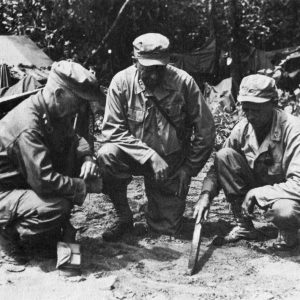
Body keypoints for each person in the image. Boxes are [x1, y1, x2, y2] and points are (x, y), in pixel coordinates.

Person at [97, 33, 215, 242]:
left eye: (159, 69)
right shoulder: (121, 83)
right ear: (135, 62)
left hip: (170, 162)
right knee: (107, 154)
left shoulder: (183, 83)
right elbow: (112, 130)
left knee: (165, 230)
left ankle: (158, 208)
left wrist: (188, 169)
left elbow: (206, 131)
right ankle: (124, 217)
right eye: (147, 69)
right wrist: (149, 156)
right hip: (131, 155)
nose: (153, 76)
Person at [0, 60, 103, 264]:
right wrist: (84, 186)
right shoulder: (28, 126)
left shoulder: (53, 110)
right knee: (56, 207)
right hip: (5, 192)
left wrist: (87, 158)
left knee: (78, 173)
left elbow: (74, 139)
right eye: (78, 103)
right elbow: (44, 181)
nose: (81, 109)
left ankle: (51, 233)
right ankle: (6, 234)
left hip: (24, 185)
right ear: (59, 95)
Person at [193, 74, 300, 250]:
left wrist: (258, 193)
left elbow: (298, 185)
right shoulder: (243, 128)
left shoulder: (293, 130)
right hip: (262, 184)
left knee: (285, 211)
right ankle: (244, 226)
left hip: (287, 195)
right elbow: (218, 167)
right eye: (246, 109)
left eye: (256, 109)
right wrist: (206, 195)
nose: (250, 115)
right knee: (224, 155)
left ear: (273, 104)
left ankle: (289, 234)